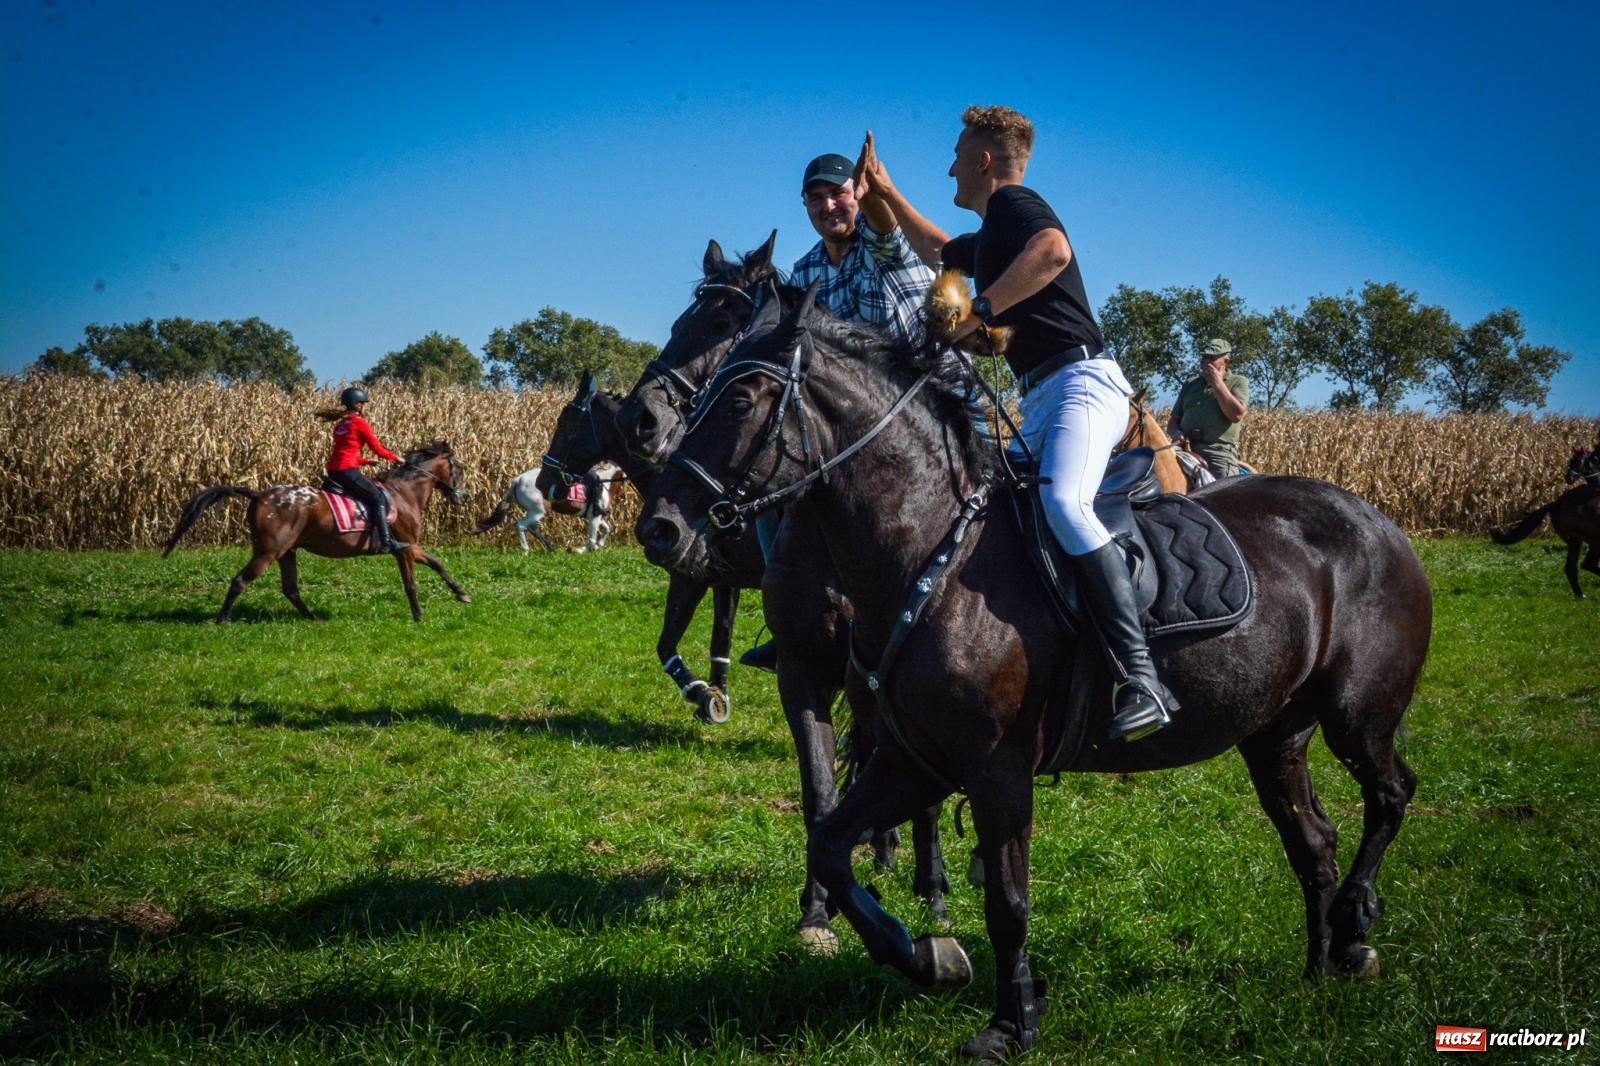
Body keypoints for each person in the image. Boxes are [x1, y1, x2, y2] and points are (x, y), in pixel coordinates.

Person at [858, 107, 1177, 742]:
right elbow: (937, 250)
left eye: (955, 153)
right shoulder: (993, 235)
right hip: (1043, 395)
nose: (948, 164)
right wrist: (886, 191)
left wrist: (979, 311)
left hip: (1082, 383)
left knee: (1063, 503)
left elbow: (1054, 251)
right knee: (992, 512)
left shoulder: (1016, 205)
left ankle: (1142, 678)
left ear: (983, 160)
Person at [741, 148, 938, 671]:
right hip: (844, 427)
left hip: (920, 411)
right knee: (771, 491)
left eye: (839, 193)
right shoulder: (803, 274)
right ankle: (791, 622)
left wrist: (876, 194)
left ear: (858, 196)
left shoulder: (881, 246)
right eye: (816, 198)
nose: (829, 205)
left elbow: (886, 228)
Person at [317, 386, 408, 554]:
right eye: (363, 404)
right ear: (357, 405)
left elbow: (343, 452)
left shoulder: (340, 425)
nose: (364, 407)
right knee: (378, 497)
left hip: (334, 470)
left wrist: (366, 461)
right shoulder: (359, 423)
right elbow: (378, 448)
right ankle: (387, 541)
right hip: (347, 471)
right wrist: (397, 458)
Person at [1167, 338, 1249, 478]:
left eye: (1211, 358)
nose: (1205, 361)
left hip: (1217, 452)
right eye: (1204, 357)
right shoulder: (1191, 384)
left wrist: (1217, 383)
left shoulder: (1237, 381)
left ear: (1225, 361)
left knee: (1223, 494)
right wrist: (1176, 433)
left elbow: (1236, 415)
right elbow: (1173, 420)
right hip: (1185, 448)